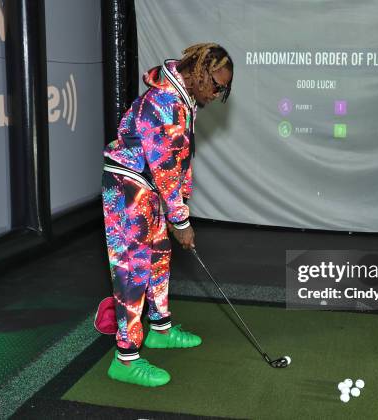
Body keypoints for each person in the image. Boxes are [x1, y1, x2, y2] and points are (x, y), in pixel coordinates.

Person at [101, 43, 234, 387]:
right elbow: (165, 169)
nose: (219, 94)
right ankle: (125, 359)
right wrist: (181, 220)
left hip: (151, 190)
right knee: (133, 270)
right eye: (218, 85)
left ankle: (159, 329)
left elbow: (177, 164)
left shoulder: (181, 100)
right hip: (130, 190)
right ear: (201, 73)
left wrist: (177, 210)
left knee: (158, 257)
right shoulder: (164, 104)